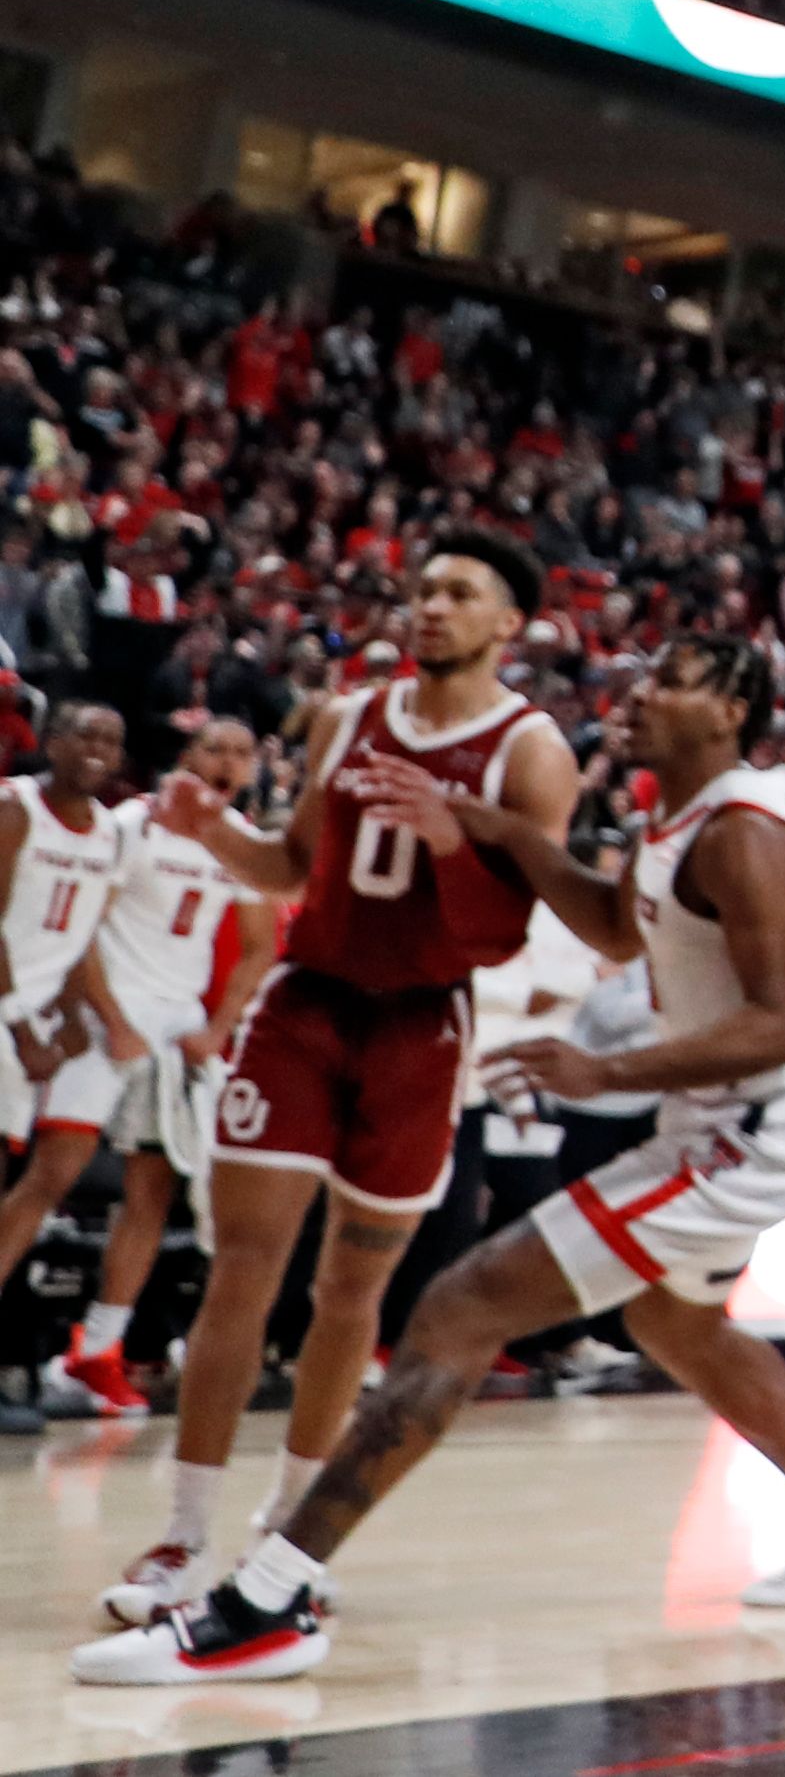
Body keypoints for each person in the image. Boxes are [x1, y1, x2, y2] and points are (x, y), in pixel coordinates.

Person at [76, 634, 785, 1683]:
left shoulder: (745, 832)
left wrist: (602, 1072)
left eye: (676, 681)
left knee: (458, 1308)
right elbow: (617, 928)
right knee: (669, 1320)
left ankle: (267, 1600)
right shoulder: (678, 813)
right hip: (717, 1118)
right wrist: (500, 833)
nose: (642, 689)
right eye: (647, 669)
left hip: (750, 1128)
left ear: (731, 713)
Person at [94, 533, 578, 1626]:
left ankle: (290, 1537)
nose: (432, 606)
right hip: (307, 1007)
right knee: (241, 1275)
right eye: (423, 589)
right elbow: (290, 867)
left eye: (460, 592)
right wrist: (213, 830)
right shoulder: (348, 715)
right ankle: (179, 1536)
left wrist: (453, 841)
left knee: (350, 1295)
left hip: (422, 1028)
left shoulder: (533, 753)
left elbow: (506, 936)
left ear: (511, 623)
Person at [50, 717, 279, 1416]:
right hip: (104, 1026)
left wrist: (218, 1025)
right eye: (215, 748)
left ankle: (102, 1350)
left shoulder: (239, 840)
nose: (228, 761)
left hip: (176, 1035)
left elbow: (259, 947)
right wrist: (114, 1018)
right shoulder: (130, 823)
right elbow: (83, 923)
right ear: (186, 756)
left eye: (241, 752)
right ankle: (68, 1350)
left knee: (166, 1196)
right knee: (47, 1181)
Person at [0, 708, 153, 1310]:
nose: (98, 749)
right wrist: (20, 1027)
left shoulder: (111, 833)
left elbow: (77, 935)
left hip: (31, 1021)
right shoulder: (15, 808)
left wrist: (68, 1015)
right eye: (85, 735)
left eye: (111, 740)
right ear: (53, 743)